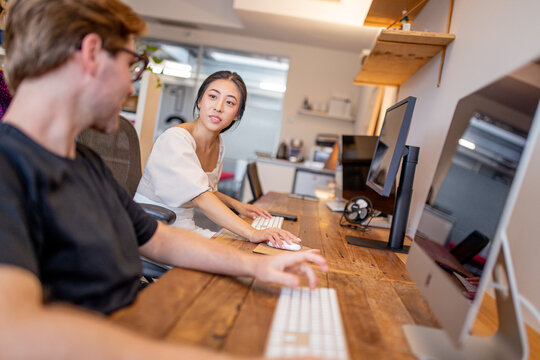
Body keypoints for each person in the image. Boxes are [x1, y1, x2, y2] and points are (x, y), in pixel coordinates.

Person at [0, 1, 328, 359]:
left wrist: (256, 264)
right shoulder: (8, 169)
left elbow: (156, 237)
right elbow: (15, 334)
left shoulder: (83, 162)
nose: (130, 86)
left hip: (138, 314)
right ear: (91, 53)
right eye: (132, 66)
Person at [135, 71, 299, 249]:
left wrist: (239, 206)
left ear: (237, 114)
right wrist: (252, 232)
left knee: (246, 249)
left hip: (183, 227)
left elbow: (207, 189)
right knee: (238, 255)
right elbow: (200, 197)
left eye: (229, 102)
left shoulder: (218, 144)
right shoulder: (175, 139)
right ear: (199, 101)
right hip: (152, 230)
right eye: (213, 96)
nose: (218, 107)